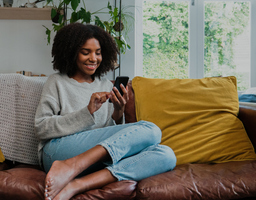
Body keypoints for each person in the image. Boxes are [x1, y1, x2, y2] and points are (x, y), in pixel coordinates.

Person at [34, 22, 176, 200]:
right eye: (85, 52)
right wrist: (87, 112)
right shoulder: (57, 82)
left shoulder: (104, 85)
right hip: (57, 153)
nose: (93, 58)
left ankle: (77, 184)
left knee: (167, 155)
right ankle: (70, 165)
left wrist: (118, 112)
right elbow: (41, 128)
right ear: (71, 53)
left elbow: (107, 136)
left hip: (94, 160)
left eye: (98, 52)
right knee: (151, 130)